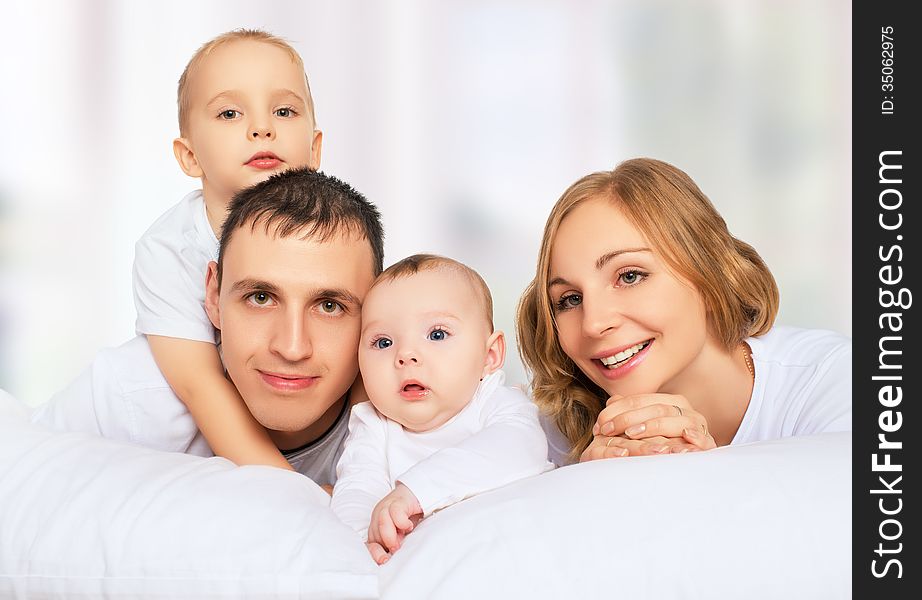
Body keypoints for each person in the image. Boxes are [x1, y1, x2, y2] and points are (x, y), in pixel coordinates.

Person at [33, 167, 384, 490]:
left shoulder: (412, 406)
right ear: (213, 295)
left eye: (329, 306)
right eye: (260, 298)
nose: (292, 348)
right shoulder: (130, 396)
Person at [516, 158, 852, 465]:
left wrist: (702, 473)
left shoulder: (832, 380)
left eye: (630, 276)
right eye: (570, 299)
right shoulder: (543, 437)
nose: (594, 323)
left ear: (709, 269)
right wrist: (590, 483)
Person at [134, 29, 323, 470]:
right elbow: (201, 387)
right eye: (230, 113)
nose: (262, 128)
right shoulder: (169, 250)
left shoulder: (336, 235)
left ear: (314, 148)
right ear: (190, 157)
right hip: (137, 417)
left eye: (283, 109)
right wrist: (298, 493)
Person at [331, 254, 553, 565]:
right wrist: (362, 541)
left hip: (513, 547)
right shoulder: (374, 424)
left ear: (489, 356)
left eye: (437, 335)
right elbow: (357, 489)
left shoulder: (495, 403)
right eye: (383, 342)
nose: (406, 355)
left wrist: (415, 492)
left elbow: (520, 447)